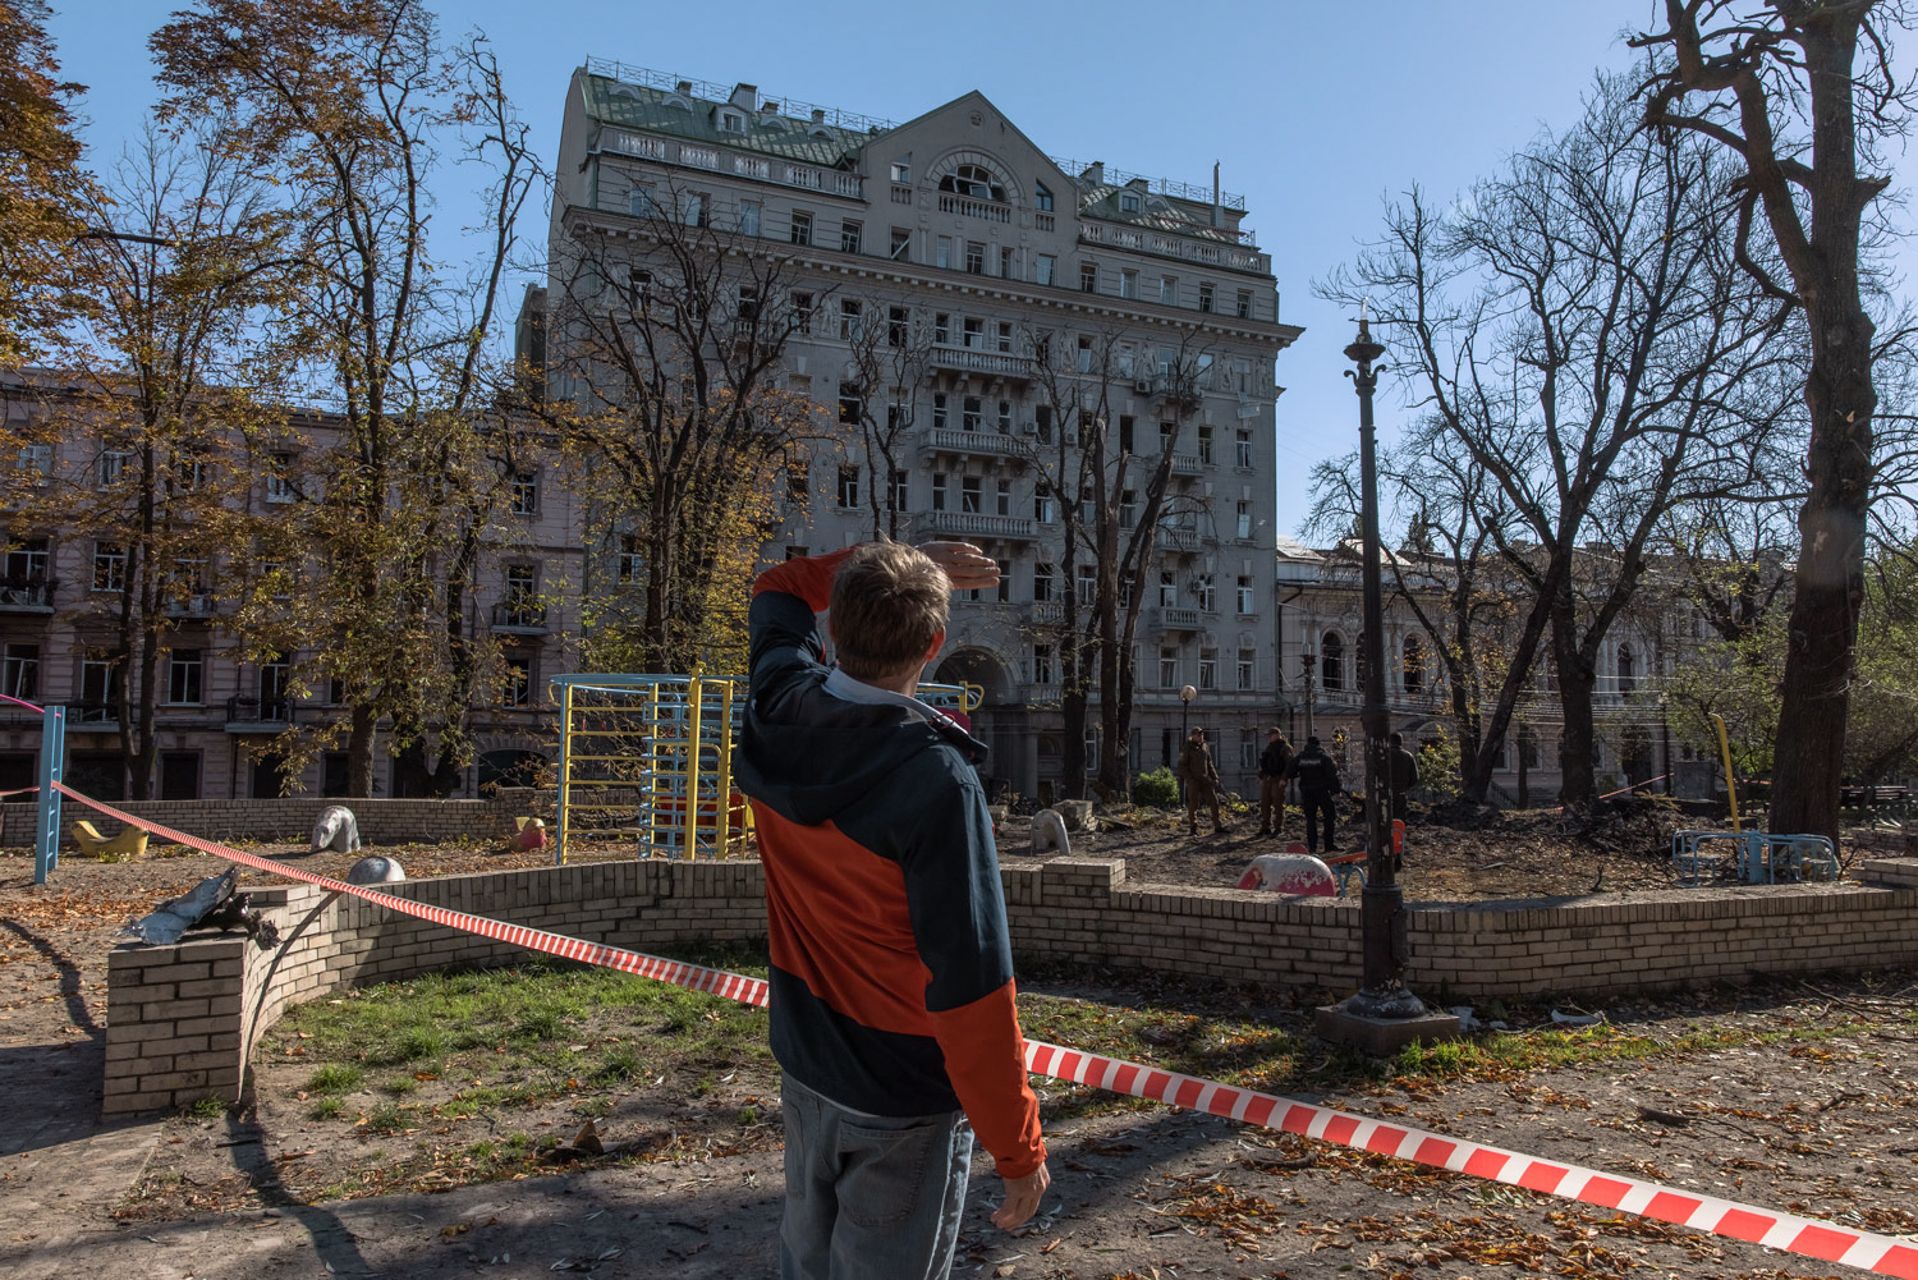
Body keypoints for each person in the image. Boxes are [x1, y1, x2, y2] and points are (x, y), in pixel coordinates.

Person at [736, 540, 1050, 1280]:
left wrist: (900, 551)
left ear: (835, 626)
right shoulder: (936, 778)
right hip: (900, 1097)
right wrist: (1019, 1148)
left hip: (806, 1060)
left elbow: (779, 586)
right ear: (935, 644)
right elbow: (972, 986)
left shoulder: (778, 702)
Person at [1290, 735, 1342, 853]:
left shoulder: (1300, 757)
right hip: (1322, 791)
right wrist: (1335, 791)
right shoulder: (1323, 757)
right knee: (1329, 816)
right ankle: (1329, 845)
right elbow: (1331, 775)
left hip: (1307, 792)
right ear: (1318, 744)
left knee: (1310, 819)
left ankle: (1312, 847)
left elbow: (1291, 771)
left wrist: (1300, 774)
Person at [1176, 726, 1228, 836]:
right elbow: (1181, 766)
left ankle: (1218, 826)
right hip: (1194, 780)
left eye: (1202, 734)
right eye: (1199, 734)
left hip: (1205, 780)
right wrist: (1190, 779)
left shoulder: (1205, 746)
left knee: (1214, 801)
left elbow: (1209, 763)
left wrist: (1215, 777)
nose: (1201, 736)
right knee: (1193, 804)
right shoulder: (1187, 747)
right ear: (1193, 736)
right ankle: (1193, 828)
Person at [1256, 728, 1294, 837]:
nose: (1269, 737)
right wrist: (1261, 776)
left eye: (1270, 735)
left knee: (1278, 804)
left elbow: (1289, 765)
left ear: (1277, 735)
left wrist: (1284, 779)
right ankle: (1265, 827)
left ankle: (1278, 828)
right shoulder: (1269, 747)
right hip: (1268, 778)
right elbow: (1266, 763)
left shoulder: (1285, 747)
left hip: (1278, 779)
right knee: (1265, 803)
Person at [1388, 732, 1420, 825]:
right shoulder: (1408, 756)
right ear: (1401, 742)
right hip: (1401, 793)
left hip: (1385, 794)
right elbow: (1415, 778)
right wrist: (1405, 787)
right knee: (1399, 821)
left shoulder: (1384, 756)